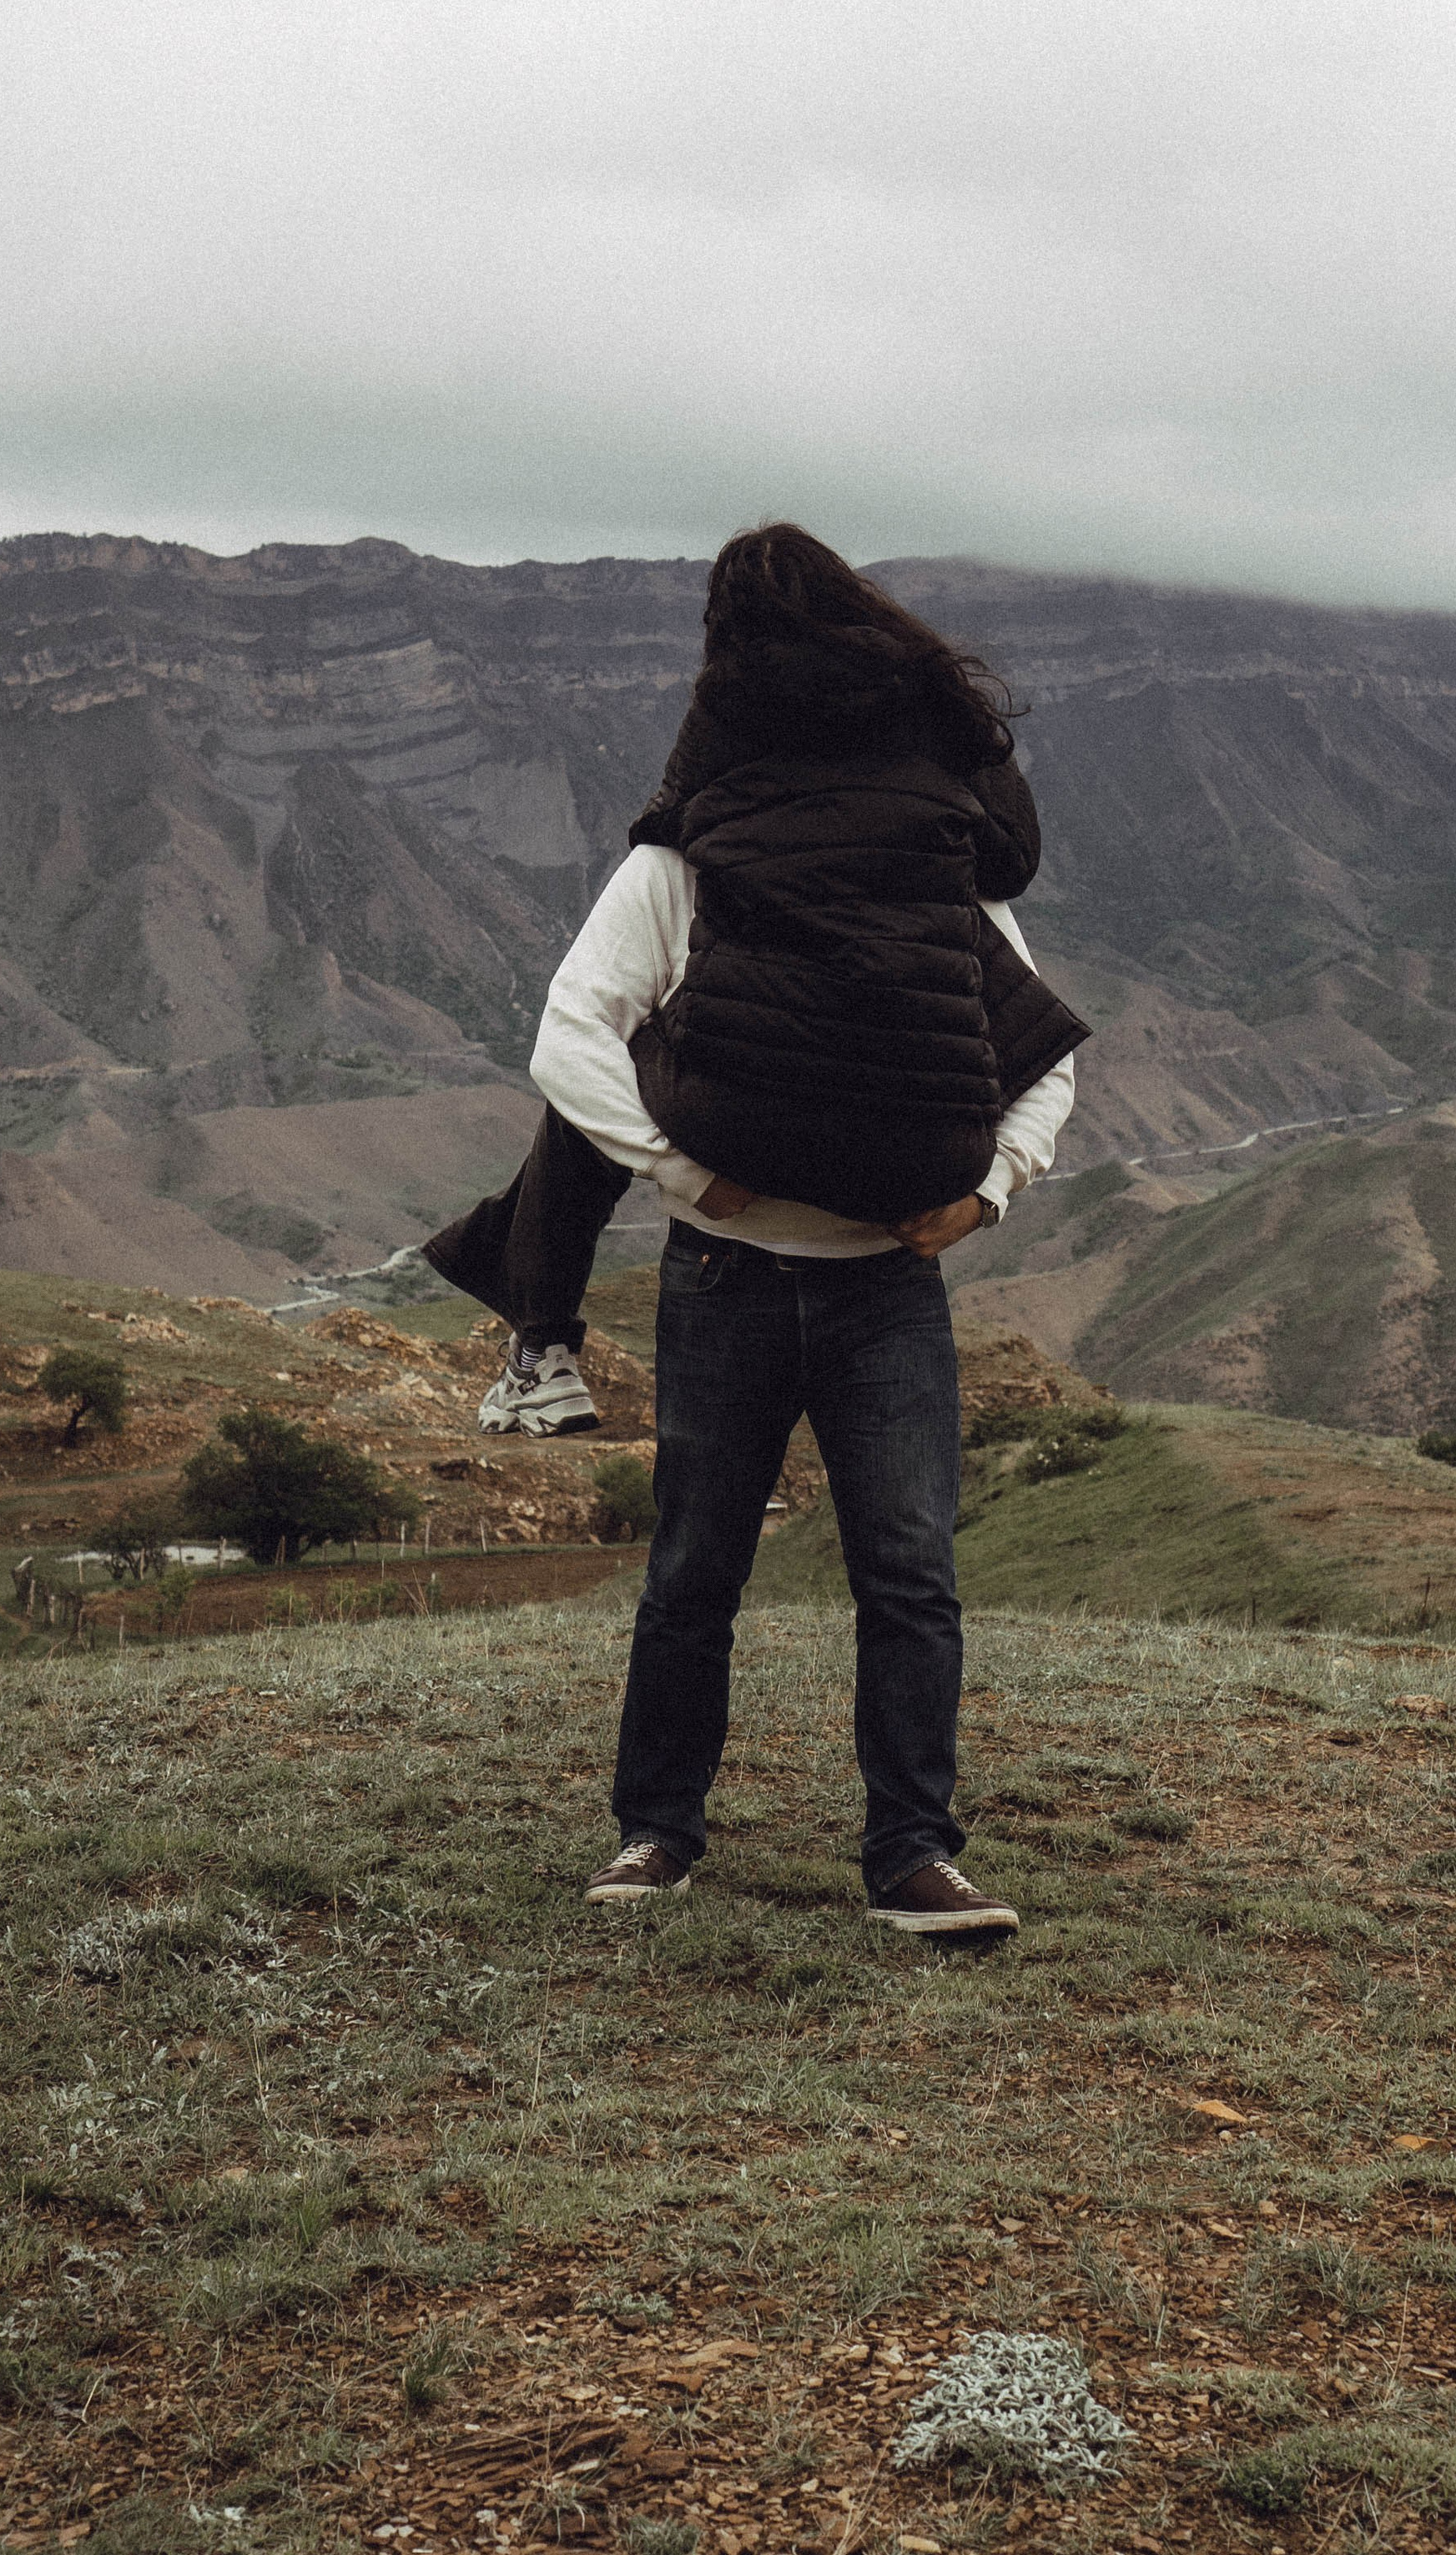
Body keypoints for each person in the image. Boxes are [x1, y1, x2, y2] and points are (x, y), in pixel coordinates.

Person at [423, 526, 1085, 1941]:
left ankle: (914, 1853)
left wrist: (988, 1193)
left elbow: (1045, 1059)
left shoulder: (920, 884)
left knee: (910, 1576)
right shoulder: (688, 874)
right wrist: (680, 1170)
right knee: (695, 1573)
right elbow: (567, 1032)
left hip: (883, 1292)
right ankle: (657, 1834)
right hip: (725, 1277)